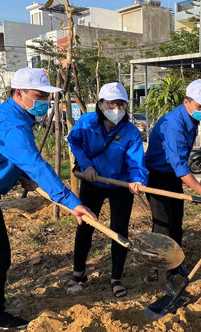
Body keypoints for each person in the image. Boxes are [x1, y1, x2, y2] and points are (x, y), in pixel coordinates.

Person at [0, 67, 95, 330]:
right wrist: (72, 202)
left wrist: (18, 177)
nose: (43, 102)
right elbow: (36, 164)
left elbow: (1, 158)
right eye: (38, 95)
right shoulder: (12, 124)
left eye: (46, 96)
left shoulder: (12, 115)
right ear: (19, 93)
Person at [67, 82, 148, 297]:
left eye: (121, 104)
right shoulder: (86, 123)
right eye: (112, 104)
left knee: (119, 229)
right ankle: (79, 271)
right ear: (101, 105)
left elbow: (136, 161)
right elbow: (74, 142)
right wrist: (86, 165)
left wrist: (137, 181)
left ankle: (116, 277)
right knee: (85, 225)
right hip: (92, 182)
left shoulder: (130, 131)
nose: (117, 109)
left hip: (119, 184)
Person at [144, 79, 201, 286]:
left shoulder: (192, 120)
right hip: (157, 176)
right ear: (187, 102)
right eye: (199, 106)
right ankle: (162, 275)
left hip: (172, 176)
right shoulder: (173, 125)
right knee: (163, 226)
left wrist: (189, 183)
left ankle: (175, 265)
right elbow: (181, 167)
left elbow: (181, 164)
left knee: (176, 222)